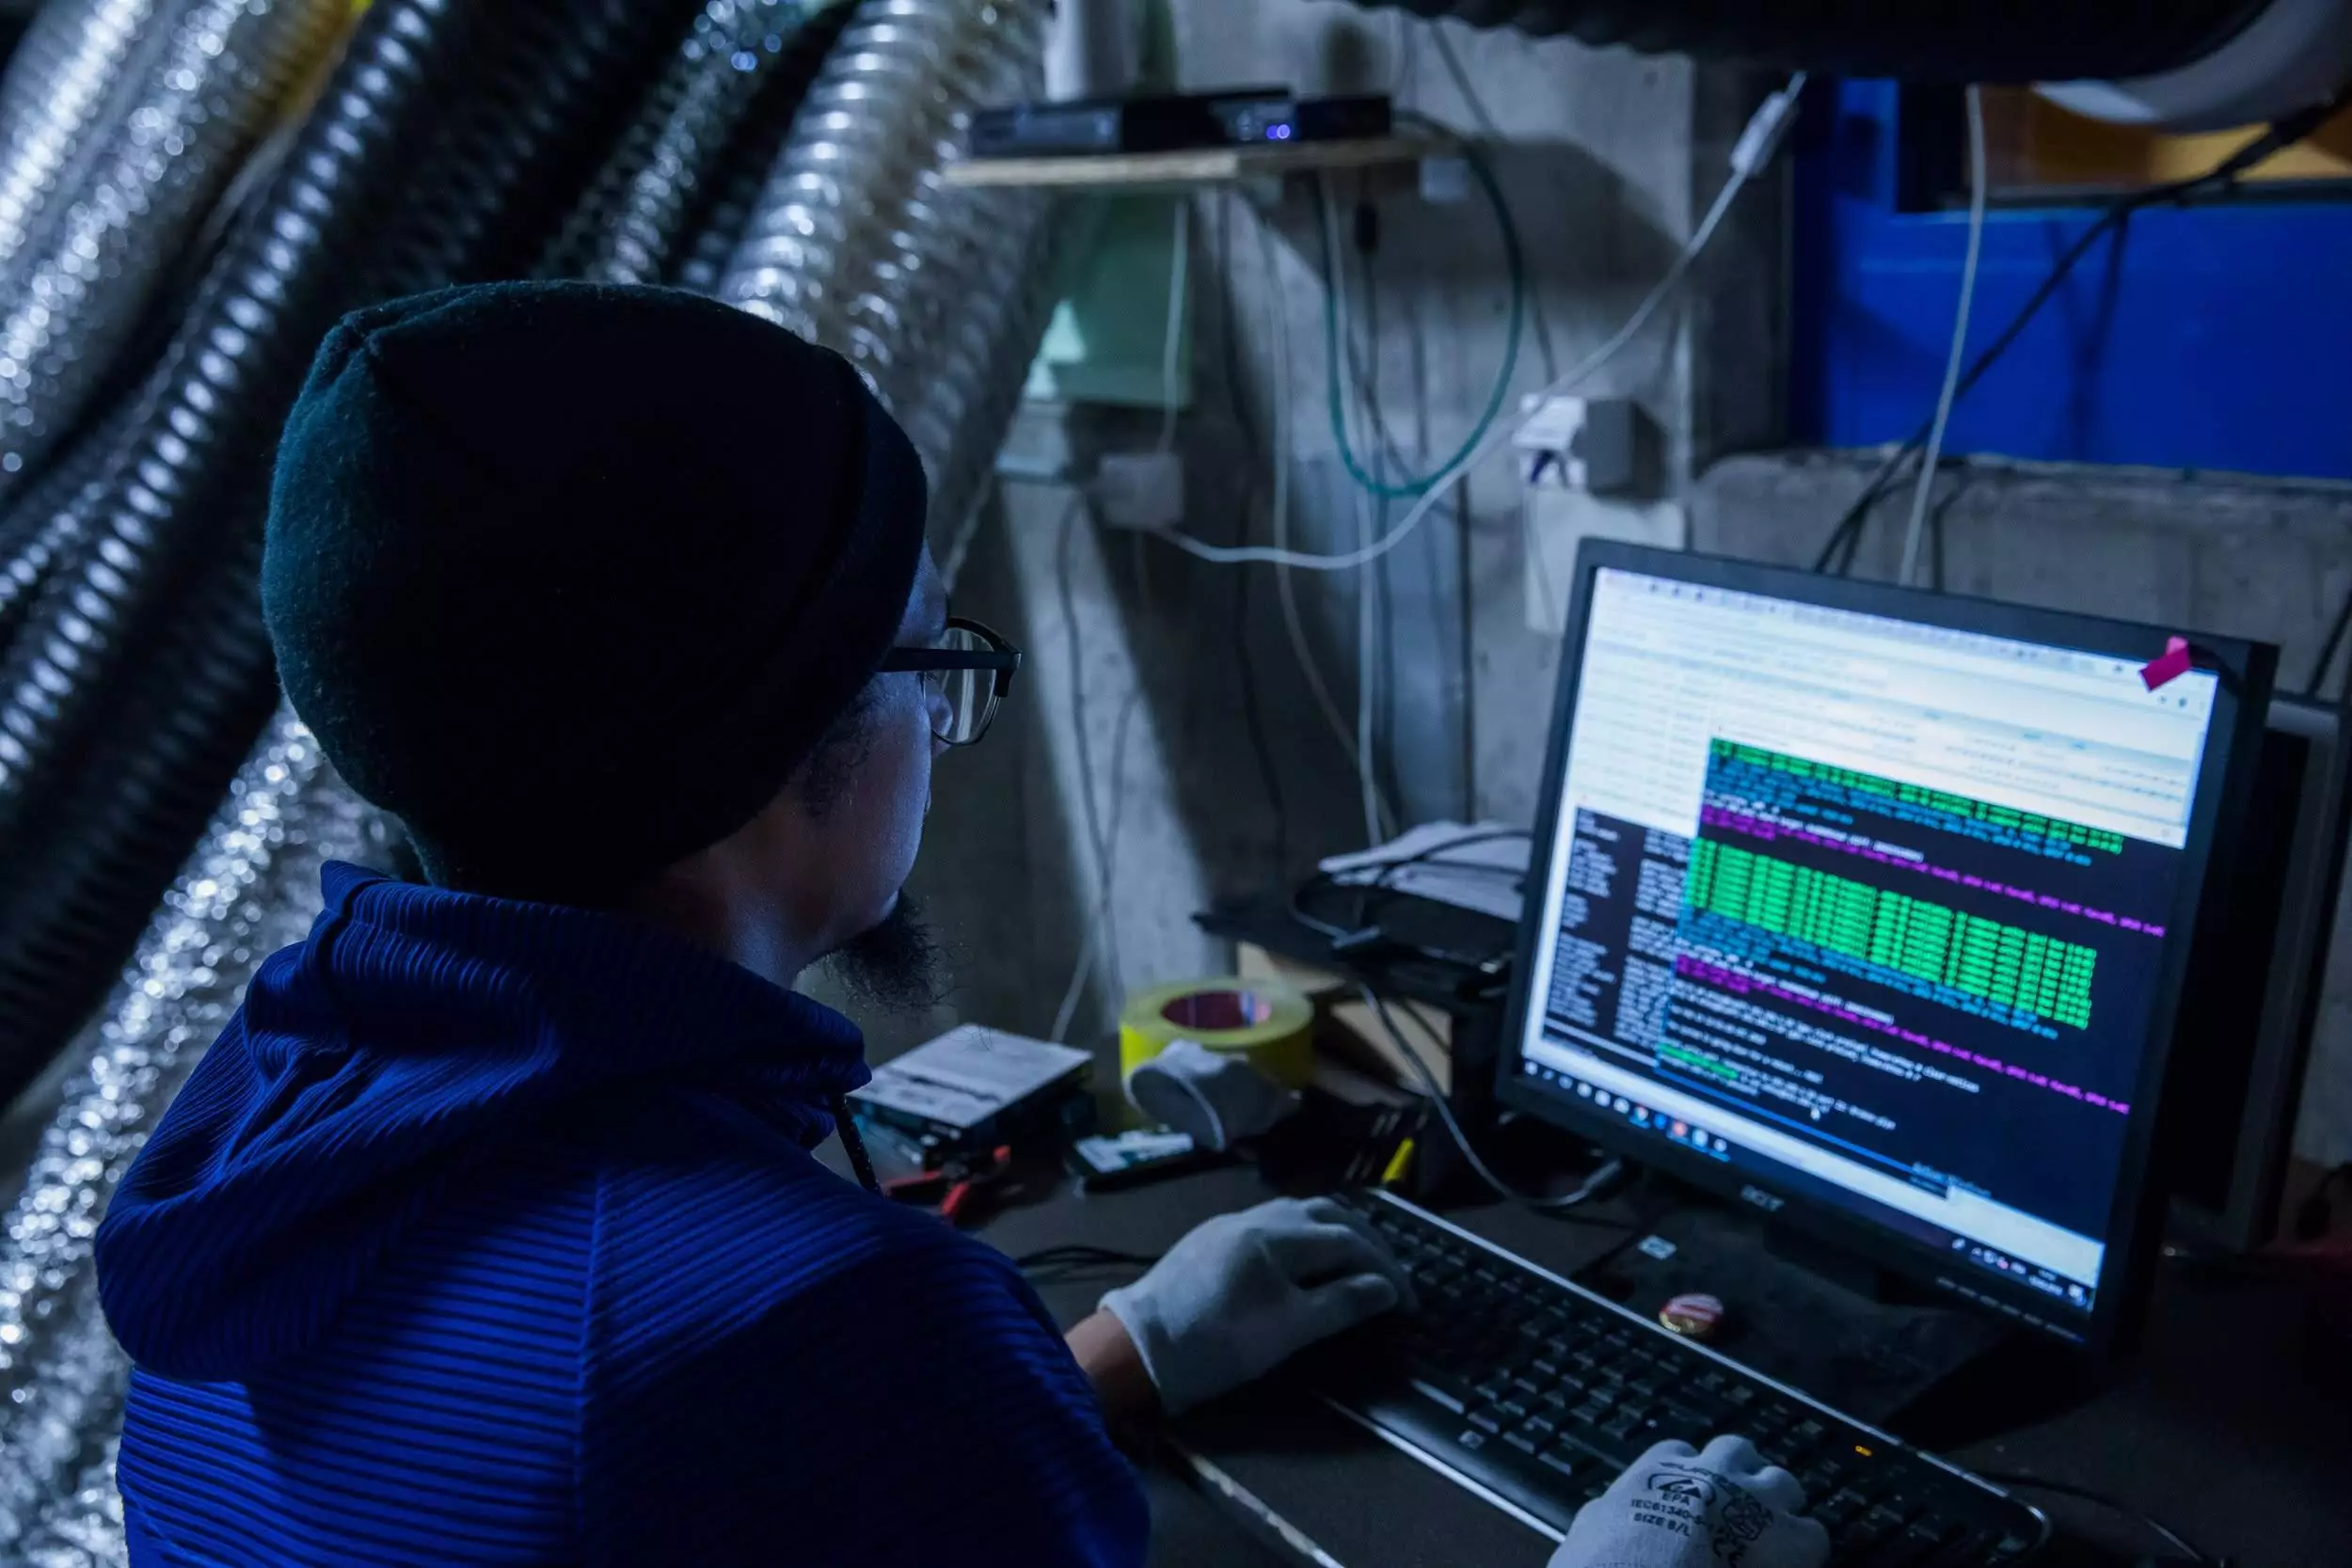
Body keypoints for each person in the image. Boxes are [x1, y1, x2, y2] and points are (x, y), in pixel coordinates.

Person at [92, 280, 1826, 1568]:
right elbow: (682, 1419)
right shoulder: (809, 1324)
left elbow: (647, 1508)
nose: (946, 722)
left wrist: (1111, 1360)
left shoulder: (263, 1130)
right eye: (933, 656)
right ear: (773, 746)